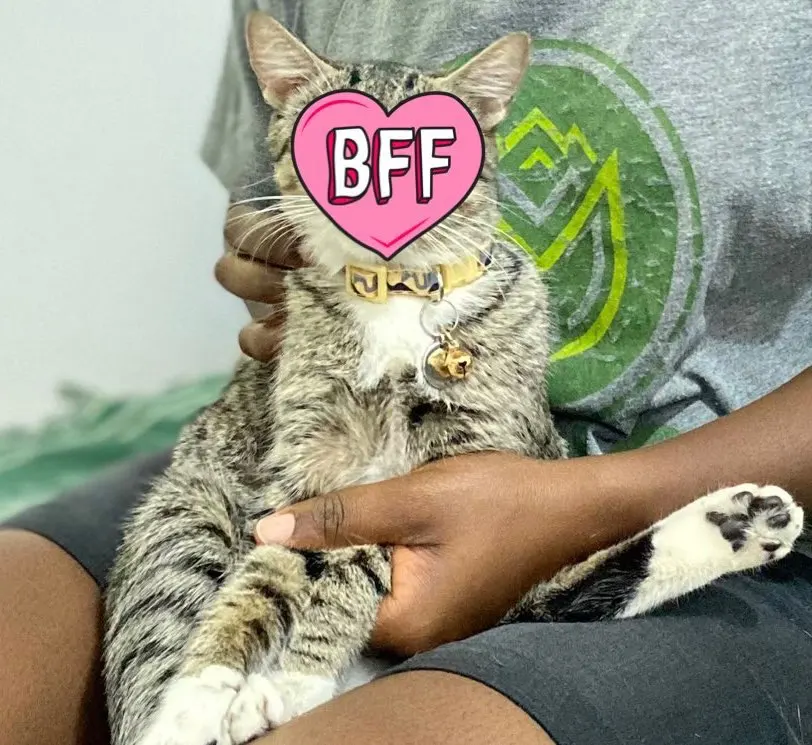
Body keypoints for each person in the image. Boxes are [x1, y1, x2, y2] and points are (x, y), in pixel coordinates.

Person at [2, 1, 811, 744]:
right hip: (277, 468)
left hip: (691, 479)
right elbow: (266, 205)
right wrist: (277, 251)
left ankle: (621, 569)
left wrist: (590, 505)